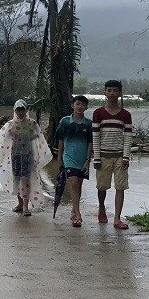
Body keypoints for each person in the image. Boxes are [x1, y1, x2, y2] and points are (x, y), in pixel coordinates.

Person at [0, 99, 52, 215]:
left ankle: (26, 206)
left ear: (26, 110)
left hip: (28, 155)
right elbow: (3, 138)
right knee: (16, 178)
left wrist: (27, 135)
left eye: (22, 110)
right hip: (15, 155)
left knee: (26, 179)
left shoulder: (32, 123)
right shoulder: (11, 124)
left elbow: (38, 136)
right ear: (15, 111)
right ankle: (20, 203)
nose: (20, 113)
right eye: (18, 110)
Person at [91, 80, 133, 229]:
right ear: (105, 93)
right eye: (109, 90)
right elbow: (95, 136)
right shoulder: (98, 113)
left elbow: (128, 137)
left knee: (120, 187)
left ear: (120, 93)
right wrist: (96, 158)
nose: (112, 93)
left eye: (115, 91)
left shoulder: (125, 115)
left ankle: (117, 219)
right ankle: (101, 207)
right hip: (102, 156)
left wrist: (126, 156)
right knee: (102, 187)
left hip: (120, 156)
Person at [56, 95, 93, 227]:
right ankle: (77, 214)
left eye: (83, 105)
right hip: (69, 158)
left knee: (79, 185)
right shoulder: (65, 122)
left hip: (82, 159)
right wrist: (60, 158)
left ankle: (73, 210)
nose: (80, 107)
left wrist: (88, 160)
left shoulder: (88, 124)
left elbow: (90, 143)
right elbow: (60, 140)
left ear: (86, 107)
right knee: (74, 183)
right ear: (73, 105)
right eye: (78, 104)